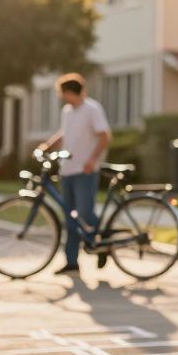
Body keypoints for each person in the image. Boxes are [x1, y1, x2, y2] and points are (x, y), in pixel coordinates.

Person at [37, 72, 111, 275]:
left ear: (70, 91)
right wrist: (46, 146)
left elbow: (104, 136)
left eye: (63, 93)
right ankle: (71, 261)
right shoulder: (68, 111)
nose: (61, 97)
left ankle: (103, 242)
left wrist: (92, 160)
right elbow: (64, 133)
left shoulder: (92, 109)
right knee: (69, 218)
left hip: (85, 170)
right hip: (67, 169)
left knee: (85, 212)